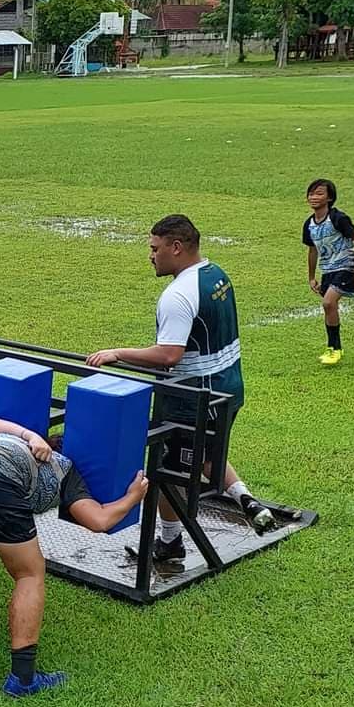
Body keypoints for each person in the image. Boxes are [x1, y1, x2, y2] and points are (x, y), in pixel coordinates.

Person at [87, 212, 276, 566]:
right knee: (205, 455)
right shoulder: (216, 274)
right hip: (229, 387)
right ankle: (248, 501)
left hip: (194, 398)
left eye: (155, 248)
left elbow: (168, 355)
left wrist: (117, 353)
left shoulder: (177, 295)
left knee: (167, 467)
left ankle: (170, 543)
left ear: (176, 247)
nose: (151, 255)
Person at [0, 429, 153, 696]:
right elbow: (99, 520)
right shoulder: (66, 468)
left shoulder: (26, 443)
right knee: (29, 574)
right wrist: (133, 497)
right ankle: (23, 679)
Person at [302, 177, 354, 366]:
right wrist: (311, 277)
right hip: (328, 269)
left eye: (319, 193)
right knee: (329, 307)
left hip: (347, 266)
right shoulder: (309, 224)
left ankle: (335, 349)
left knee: (328, 302)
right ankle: (332, 348)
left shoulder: (338, 218)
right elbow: (312, 250)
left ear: (329, 198)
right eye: (311, 193)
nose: (314, 197)